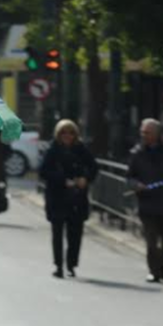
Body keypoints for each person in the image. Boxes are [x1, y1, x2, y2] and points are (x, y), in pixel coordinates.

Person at [39, 119, 98, 278]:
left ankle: (71, 264)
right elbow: (43, 172)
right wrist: (62, 180)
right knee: (57, 234)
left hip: (76, 198)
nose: (67, 136)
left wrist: (84, 179)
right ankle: (58, 265)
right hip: (57, 197)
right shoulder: (52, 150)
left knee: (75, 234)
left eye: (71, 132)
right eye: (63, 132)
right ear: (58, 134)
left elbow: (93, 167)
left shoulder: (81, 149)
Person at [127, 118, 163, 282]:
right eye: (143, 132)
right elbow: (130, 177)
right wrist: (136, 185)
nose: (144, 135)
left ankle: (159, 265)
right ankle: (154, 271)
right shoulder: (137, 153)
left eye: (147, 133)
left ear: (156, 134)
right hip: (147, 204)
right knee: (151, 241)